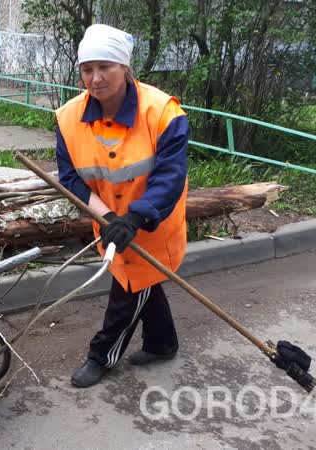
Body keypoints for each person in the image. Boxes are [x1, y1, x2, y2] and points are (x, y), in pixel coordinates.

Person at [55, 24, 190, 388]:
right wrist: (110, 218)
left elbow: (170, 177)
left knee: (130, 286)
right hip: (110, 222)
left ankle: (102, 355)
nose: (95, 78)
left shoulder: (163, 113)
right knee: (143, 281)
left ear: (124, 67)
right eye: (87, 69)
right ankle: (163, 344)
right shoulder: (68, 119)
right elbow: (71, 179)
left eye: (105, 67)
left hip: (153, 225)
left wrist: (134, 217)